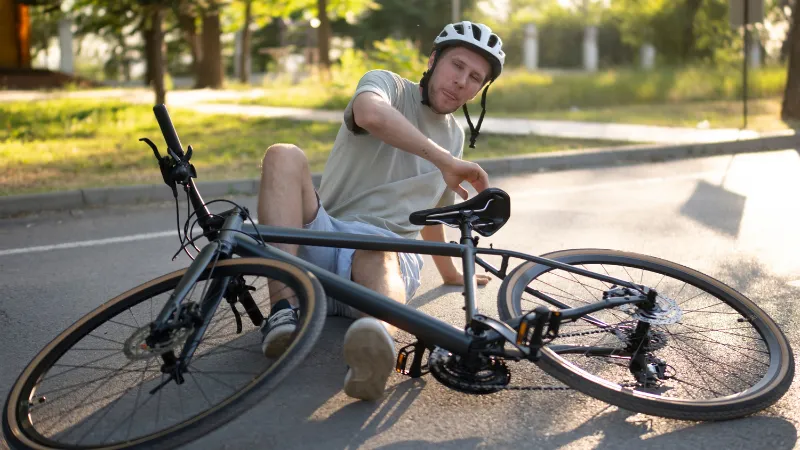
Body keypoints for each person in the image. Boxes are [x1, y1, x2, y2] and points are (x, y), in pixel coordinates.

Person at [256, 20, 506, 402]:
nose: (462, 82)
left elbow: (431, 215)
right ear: (434, 59)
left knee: (379, 248)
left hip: (379, 262)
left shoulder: (454, 135)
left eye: (475, 78)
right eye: (457, 65)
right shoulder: (388, 84)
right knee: (282, 155)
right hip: (321, 238)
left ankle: (374, 346)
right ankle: (282, 311)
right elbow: (369, 113)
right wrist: (444, 161)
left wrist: (451, 272)